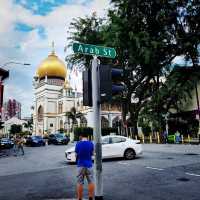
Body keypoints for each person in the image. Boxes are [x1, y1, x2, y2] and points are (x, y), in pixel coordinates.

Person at [75, 132, 94, 200]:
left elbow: (76, 154)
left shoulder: (78, 143)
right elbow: (92, 153)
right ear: (87, 137)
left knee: (80, 183)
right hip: (89, 164)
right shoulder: (91, 143)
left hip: (80, 165)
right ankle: (90, 197)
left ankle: (80, 198)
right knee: (91, 182)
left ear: (81, 136)